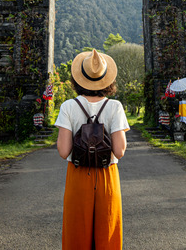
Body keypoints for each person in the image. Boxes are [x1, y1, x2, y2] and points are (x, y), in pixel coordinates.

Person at [55, 49, 130, 249]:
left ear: (79, 79)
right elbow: (119, 151)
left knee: (76, 236)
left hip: (78, 174)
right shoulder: (115, 107)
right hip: (107, 175)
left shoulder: (68, 107)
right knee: (108, 234)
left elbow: (63, 151)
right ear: (107, 79)